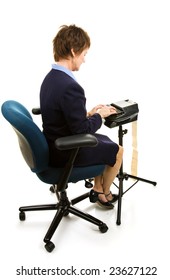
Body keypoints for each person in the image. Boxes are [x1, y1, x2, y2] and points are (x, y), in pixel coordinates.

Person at [40, 24, 123, 209]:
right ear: (73, 51)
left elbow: (61, 114)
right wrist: (100, 116)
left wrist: (88, 113)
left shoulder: (50, 78)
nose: (84, 60)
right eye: (84, 54)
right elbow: (82, 130)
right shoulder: (70, 86)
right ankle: (104, 193)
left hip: (53, 143)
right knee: (117, 150)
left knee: (104, 142)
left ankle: (97, 187)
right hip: (65, 153)